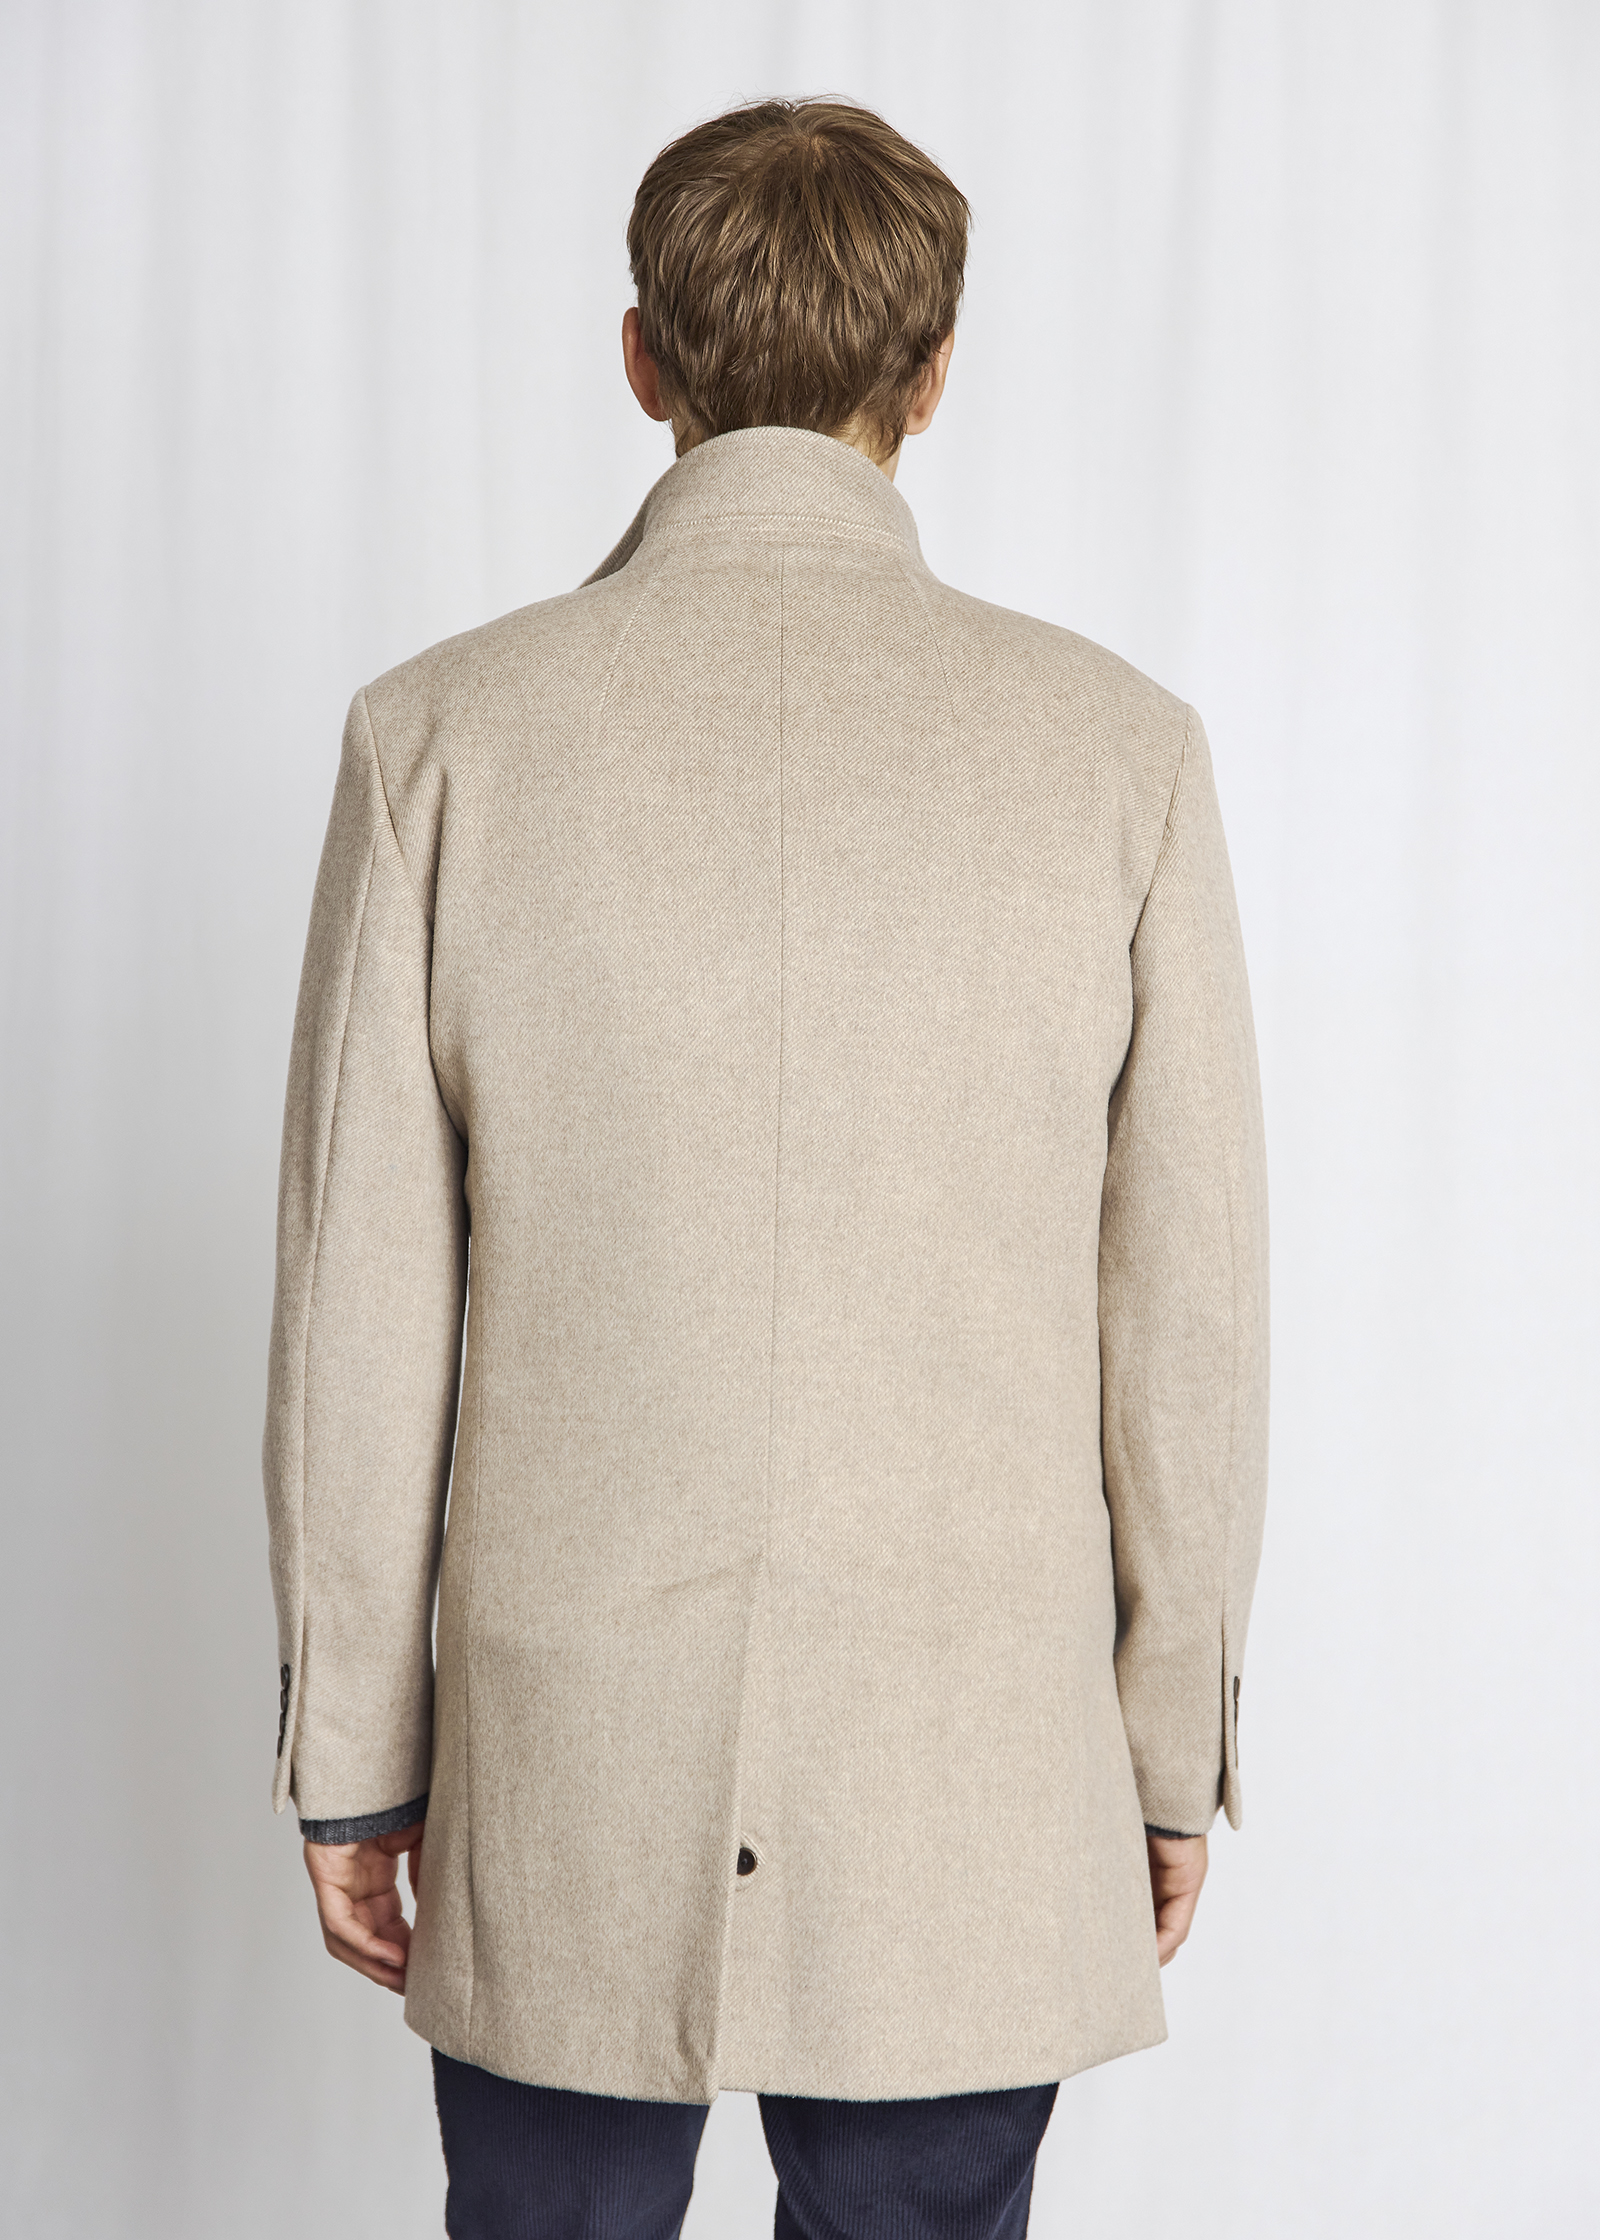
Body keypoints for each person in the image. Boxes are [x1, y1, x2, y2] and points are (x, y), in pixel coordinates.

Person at [264, 96, 1269, 2240]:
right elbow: (1184, 1321)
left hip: (570, 1760)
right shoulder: (1120, 753)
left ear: (642, 356)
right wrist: (1165, 1743)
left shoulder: (441, 738)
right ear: (933, 375)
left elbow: (362, 1310)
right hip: (973, 1765)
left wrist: (354, 1751)